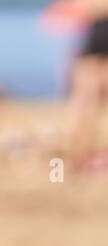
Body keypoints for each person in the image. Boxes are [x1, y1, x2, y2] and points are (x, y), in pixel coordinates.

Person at [65, 0, 108, 162]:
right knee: (85, 105)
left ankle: (84, 152)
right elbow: (83, 8)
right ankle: (78, 153)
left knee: (88, 105)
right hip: (94, 48)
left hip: (97, 46)